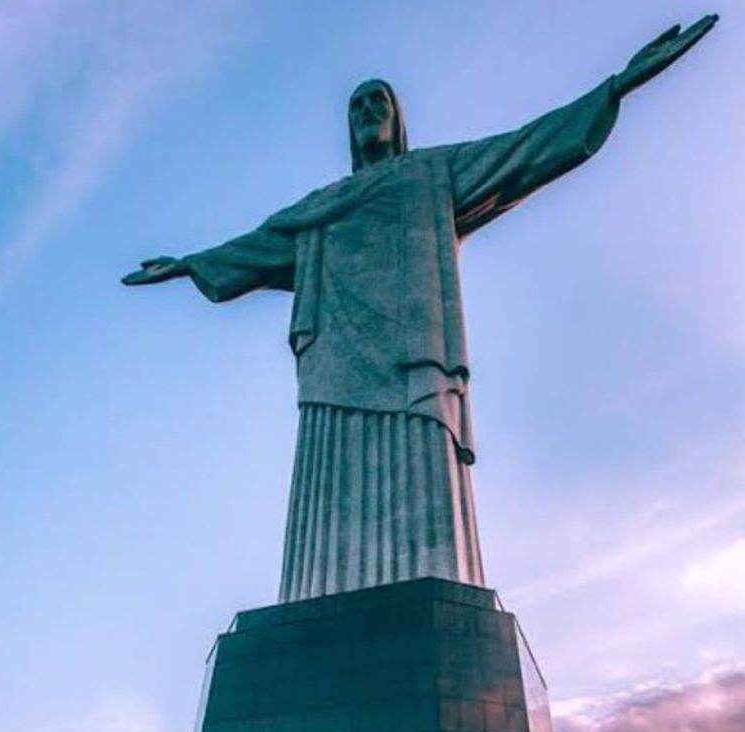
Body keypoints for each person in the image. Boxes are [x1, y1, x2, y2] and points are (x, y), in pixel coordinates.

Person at [123, 18, 716, 605]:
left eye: (378, 100)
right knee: (329, 493)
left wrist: (616, 87)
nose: (366, 110)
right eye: (356, 105)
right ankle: (320, 599)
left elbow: (525, 150)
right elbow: (251, 248)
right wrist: (185, 264)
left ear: (398, 118)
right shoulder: (321, 206)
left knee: (423, 486)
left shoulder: (433, 173)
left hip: (414, 361)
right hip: (334, 366)